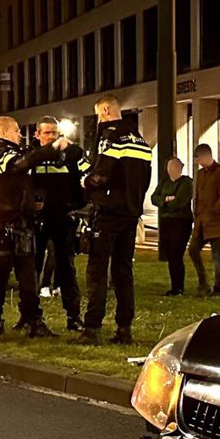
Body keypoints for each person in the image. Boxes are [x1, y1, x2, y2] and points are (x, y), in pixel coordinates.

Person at [0, 115, 69, 337]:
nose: (20, 134)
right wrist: (53, 148)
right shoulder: (7, 153)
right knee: (27, 276)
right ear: (4, 132)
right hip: (16, 222)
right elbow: (22, 164)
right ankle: (33, 321)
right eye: (16, 130)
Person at [76, 95, 152, 346]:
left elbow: (101, 174)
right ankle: (124, 328)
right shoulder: (139, 140)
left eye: (99, 114)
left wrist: (85, 183)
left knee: (97, 271)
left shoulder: (110, 135)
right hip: (130, 213)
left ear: (106, 110)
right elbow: (145, 179)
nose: (99, 119)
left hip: (108, 213)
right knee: (123, 271)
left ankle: (92, 328)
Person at [30, 117, 87, 331]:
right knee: (32, 268)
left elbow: (84, 169)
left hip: (61, 216)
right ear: (37, 135)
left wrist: (74, 204)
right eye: (47, 133)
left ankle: (73, 316)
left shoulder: (68, 155)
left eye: (55, 133)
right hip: (36, 219)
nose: (52, 137)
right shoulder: (32, 155)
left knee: (66, 268)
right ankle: (31, 316)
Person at [188, 143, 220, 297]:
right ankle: (203, 283)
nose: (198, 162)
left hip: (216, 223)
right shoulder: (200, 175)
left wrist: (214, 211)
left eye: (199, 158)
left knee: (217, 256)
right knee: (193, 250)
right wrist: (197, 212)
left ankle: (217, 288)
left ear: (206, 156)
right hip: (201, 222)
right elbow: (198, 196)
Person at [152, 156, 194, 295]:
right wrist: (167, 199)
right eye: (169, 167)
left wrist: (164, 203)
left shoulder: (186, 183)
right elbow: (154, 198)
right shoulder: (164, 182)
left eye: (173, 167)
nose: (170, 170)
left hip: (181, 222)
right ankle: (174, 286)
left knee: (176, 254)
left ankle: (178, 287)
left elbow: (179, 203)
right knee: (170, 255)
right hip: (166, 222)